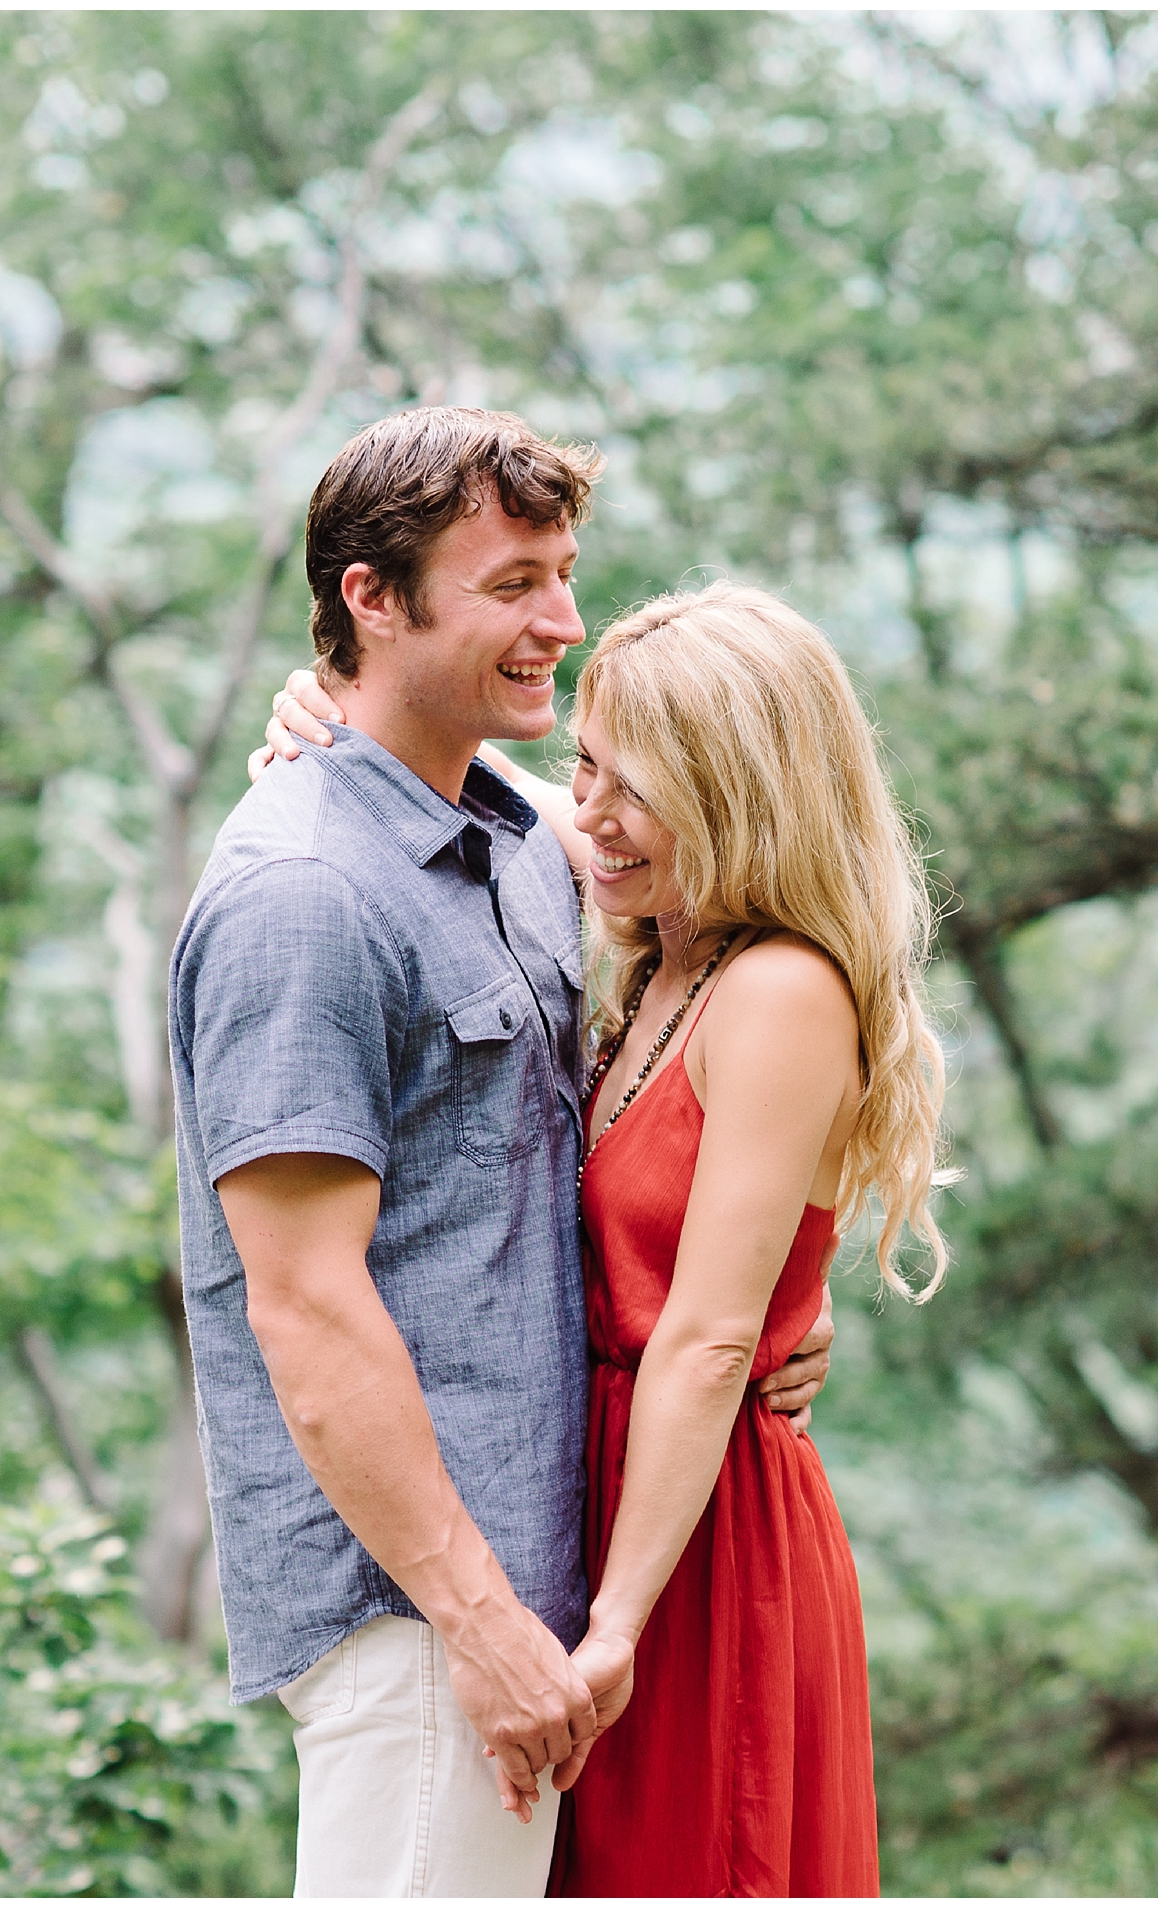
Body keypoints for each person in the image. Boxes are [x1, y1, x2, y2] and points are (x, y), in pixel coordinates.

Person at [169, 406, 831, 1897]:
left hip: (540, 1573)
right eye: (513, 582)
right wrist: (474, 1624)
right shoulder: (302, 894)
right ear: (370, 598)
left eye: (565, 572)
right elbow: (304, 1306)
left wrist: (787, 1285)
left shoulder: (518, 842)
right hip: (420, 1611)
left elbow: (724, 992)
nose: (563, 620)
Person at [270, 582, 945, 1895]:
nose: (590, 810)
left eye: (630, 782)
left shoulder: (778, 988)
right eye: (582, 759)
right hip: (594, 1502)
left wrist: (619, 1623)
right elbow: (478, 802)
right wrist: (328, 725)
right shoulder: (664, 943)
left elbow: (703, 1337)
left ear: (740, 795)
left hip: (690, 1549)